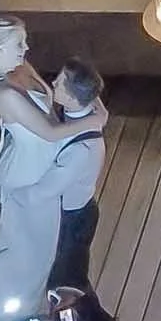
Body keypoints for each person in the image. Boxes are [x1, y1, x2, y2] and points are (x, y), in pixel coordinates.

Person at [0, 18, 105, 321]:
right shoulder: (4, 93)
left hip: (43, 167)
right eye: (19, 44)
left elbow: (59, 99)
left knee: (39, 251)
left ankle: (24, 305)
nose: (26, 49)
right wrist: (98, 120)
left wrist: (93, 103)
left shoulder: (21, 66)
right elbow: (51, 131)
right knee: (26, 251)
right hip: (27, 176)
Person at [41, 61, 108, 291]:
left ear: (72, 99)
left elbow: (47, 190)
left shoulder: (80, 151)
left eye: (59, 83)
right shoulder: (89, 111)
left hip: (72, 219)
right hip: (79, 211)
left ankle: (76, 320)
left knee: (66, 279)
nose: (53, 83)